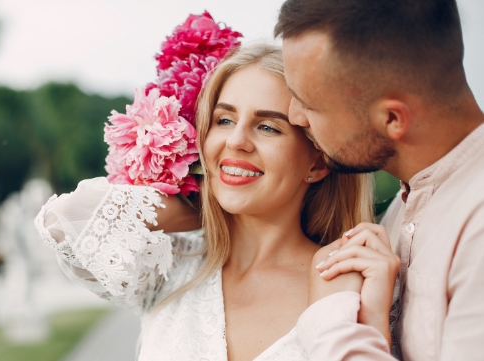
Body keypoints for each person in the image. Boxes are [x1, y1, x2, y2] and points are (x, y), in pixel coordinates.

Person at [34, 43, 389, 360]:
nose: (236, 140)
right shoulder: (171, 267)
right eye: (224, 119)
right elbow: (65, 219)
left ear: (316, 162)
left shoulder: (344, 283)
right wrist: (199, 204)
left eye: (267, 127)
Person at [275, 0, 484, 360]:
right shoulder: (402, 208)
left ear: (392, 119)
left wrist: (333, 324)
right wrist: (372, 329)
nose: (294, 117)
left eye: (308, 103)